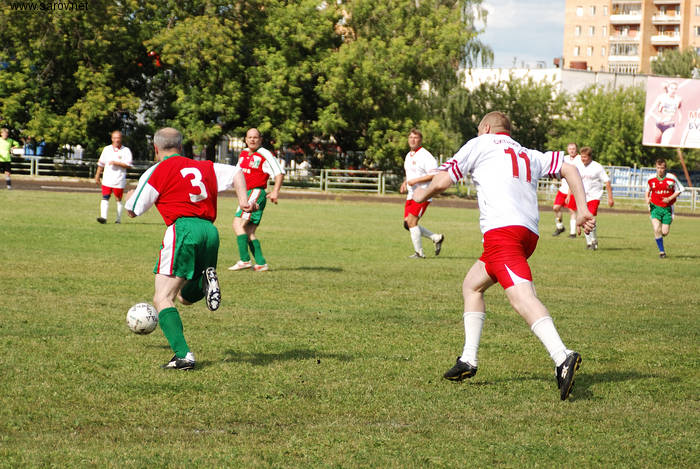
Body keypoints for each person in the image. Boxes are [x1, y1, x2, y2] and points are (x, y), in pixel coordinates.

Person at [413, 111, 595, 401]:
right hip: (527, 235)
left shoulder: (480, 143)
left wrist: (420, 195)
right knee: (472, 285)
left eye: (479, 129)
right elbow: (570, 168)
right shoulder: (528, 153)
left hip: (503, 234)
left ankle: (563, 356)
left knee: (522, 298)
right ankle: (468, 359)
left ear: (485, 128)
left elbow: (443, 180)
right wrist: (582, 208)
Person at [124, 127, 253, 370]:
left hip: (183, 230)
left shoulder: (158, 169)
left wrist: (130, 196)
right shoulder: (205, 166)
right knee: (183, 298)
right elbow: (237, 172)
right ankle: (204, 281)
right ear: (181, 147)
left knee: (162, 298)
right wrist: (243, 201)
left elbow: (132, 210)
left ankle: (183, 356)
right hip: (209, 231)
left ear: (155, 148)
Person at [228, 128, 285, 272]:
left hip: (255, 192)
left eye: (255, 137)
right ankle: (261, 263)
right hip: (247, 193)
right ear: (246, 139)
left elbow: (279, 173)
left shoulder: (265, 154)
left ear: (260, 139)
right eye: (250, 137)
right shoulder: (243, 153)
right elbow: (237, 173)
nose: (252, 140)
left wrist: (275, 191)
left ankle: (244, 260)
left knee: (237, 224)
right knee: (248, 231)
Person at [399, 129, 444, 259]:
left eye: (416, 138)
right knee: (407, 224)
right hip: (411, 194)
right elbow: (411, 173)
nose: (412, 140)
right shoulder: (409, 155)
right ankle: (436, 237)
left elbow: (434, 175)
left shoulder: (425, 156)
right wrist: (405, 182)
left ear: (420, 140)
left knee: (412, 222)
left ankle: (419, 253)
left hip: (423, 194)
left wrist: (415, 181)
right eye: (410, 137)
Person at [565, 146, 614, 250]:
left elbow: (607, 182)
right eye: (581, 157)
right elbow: (573, 181)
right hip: (582, 197)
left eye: (585, 157)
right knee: (584, 219)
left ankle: (593, 241)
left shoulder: (597, 167)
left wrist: (610, 198)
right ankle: (589, 243)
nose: (583, 159)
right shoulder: (578, 166)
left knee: (589, 218)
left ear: (590, 156)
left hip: (594, 197)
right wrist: (569, 194)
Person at [645, 158, 684, 258]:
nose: (660, 170)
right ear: (655, 168)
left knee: (664, 232)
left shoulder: (671, 178)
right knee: (656, 228)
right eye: (658, 168)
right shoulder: (650, 178)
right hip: (655, 207)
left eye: (662, 168)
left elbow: (680, 189)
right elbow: (647, 190)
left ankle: (659, 236)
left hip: (667, 208)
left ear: (665, 168)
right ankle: (662, 252)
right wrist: (647, 199)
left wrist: (669, 198)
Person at [94, 131, 133, 224]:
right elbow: (101, 164)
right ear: (112, 139)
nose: (116, 140)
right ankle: (103, 217)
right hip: (107, 179)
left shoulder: (126, 150)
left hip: (119, 179)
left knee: (118, 199)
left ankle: (118, 219)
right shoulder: (107, 149)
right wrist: (97, 175)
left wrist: (117, 163)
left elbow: (129, 165)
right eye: (115, 138)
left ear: (121, 139)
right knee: (105, 197)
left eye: (118, 138)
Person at [552, 142, 581, 237]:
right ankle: (560, 226)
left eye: (573, 148)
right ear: (567, 150)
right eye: (570, 149)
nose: (572, 150)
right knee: (556, 208)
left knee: (572, 210)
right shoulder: (564, 158)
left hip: (573, 189)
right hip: (563, 189)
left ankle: (572, 233)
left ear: (576, 149)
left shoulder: (580, 159)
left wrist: (569, 194)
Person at [650, 81, 681, 145]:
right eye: (672, 88)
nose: (673, 90)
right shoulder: (661, 97)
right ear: (668, 88)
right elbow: (651, 111)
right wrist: (657, 118)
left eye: (675, 89)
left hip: (670, 126)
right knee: (656, 144)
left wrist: (679, 119)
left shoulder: (678, 99)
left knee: (665, 143)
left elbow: (679, 111)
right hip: (659, 125)